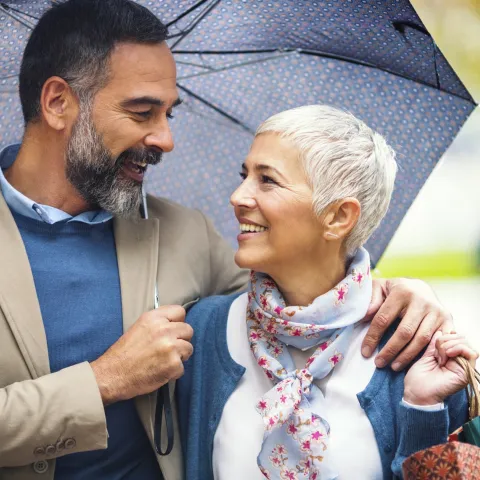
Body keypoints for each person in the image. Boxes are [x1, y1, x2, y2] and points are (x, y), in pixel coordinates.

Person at [0, 0, 461, 479]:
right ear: (58, 102)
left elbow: (301, 288)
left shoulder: (186, 234)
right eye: (142, 113)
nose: (164, 140)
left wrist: (400, 294)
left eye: (168, 115)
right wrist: (102, 383)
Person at [177, 105, 477, 480]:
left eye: (267, 180)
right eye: (245, 175)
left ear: (338, 217)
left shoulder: (415, 350)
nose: (238, 196)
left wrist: (422, 410)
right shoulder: (202, 331)